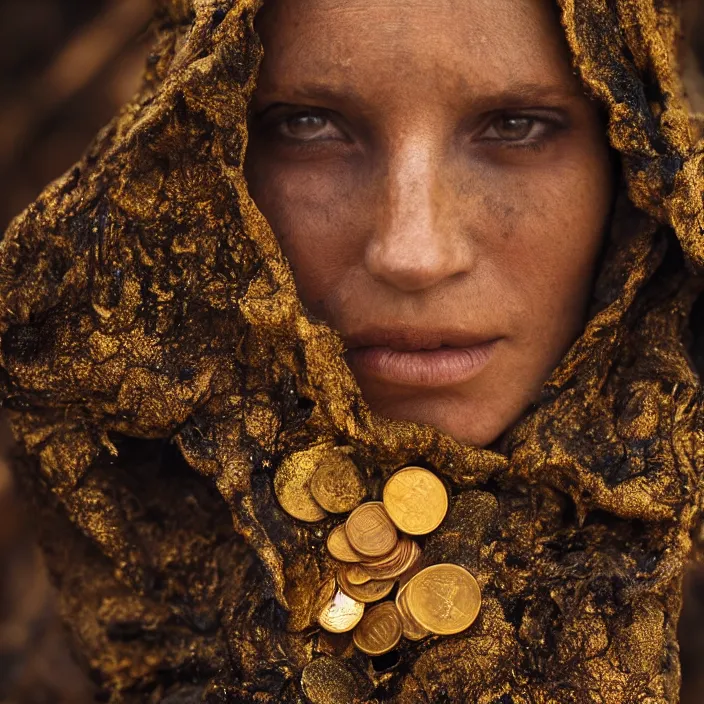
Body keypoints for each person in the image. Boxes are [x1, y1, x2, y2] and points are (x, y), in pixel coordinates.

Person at [0, 0, 702, 701]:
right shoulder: (59, 614)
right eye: (309, 126)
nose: (413, 254)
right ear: (197, 162)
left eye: (516, 126)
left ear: (635, 164)